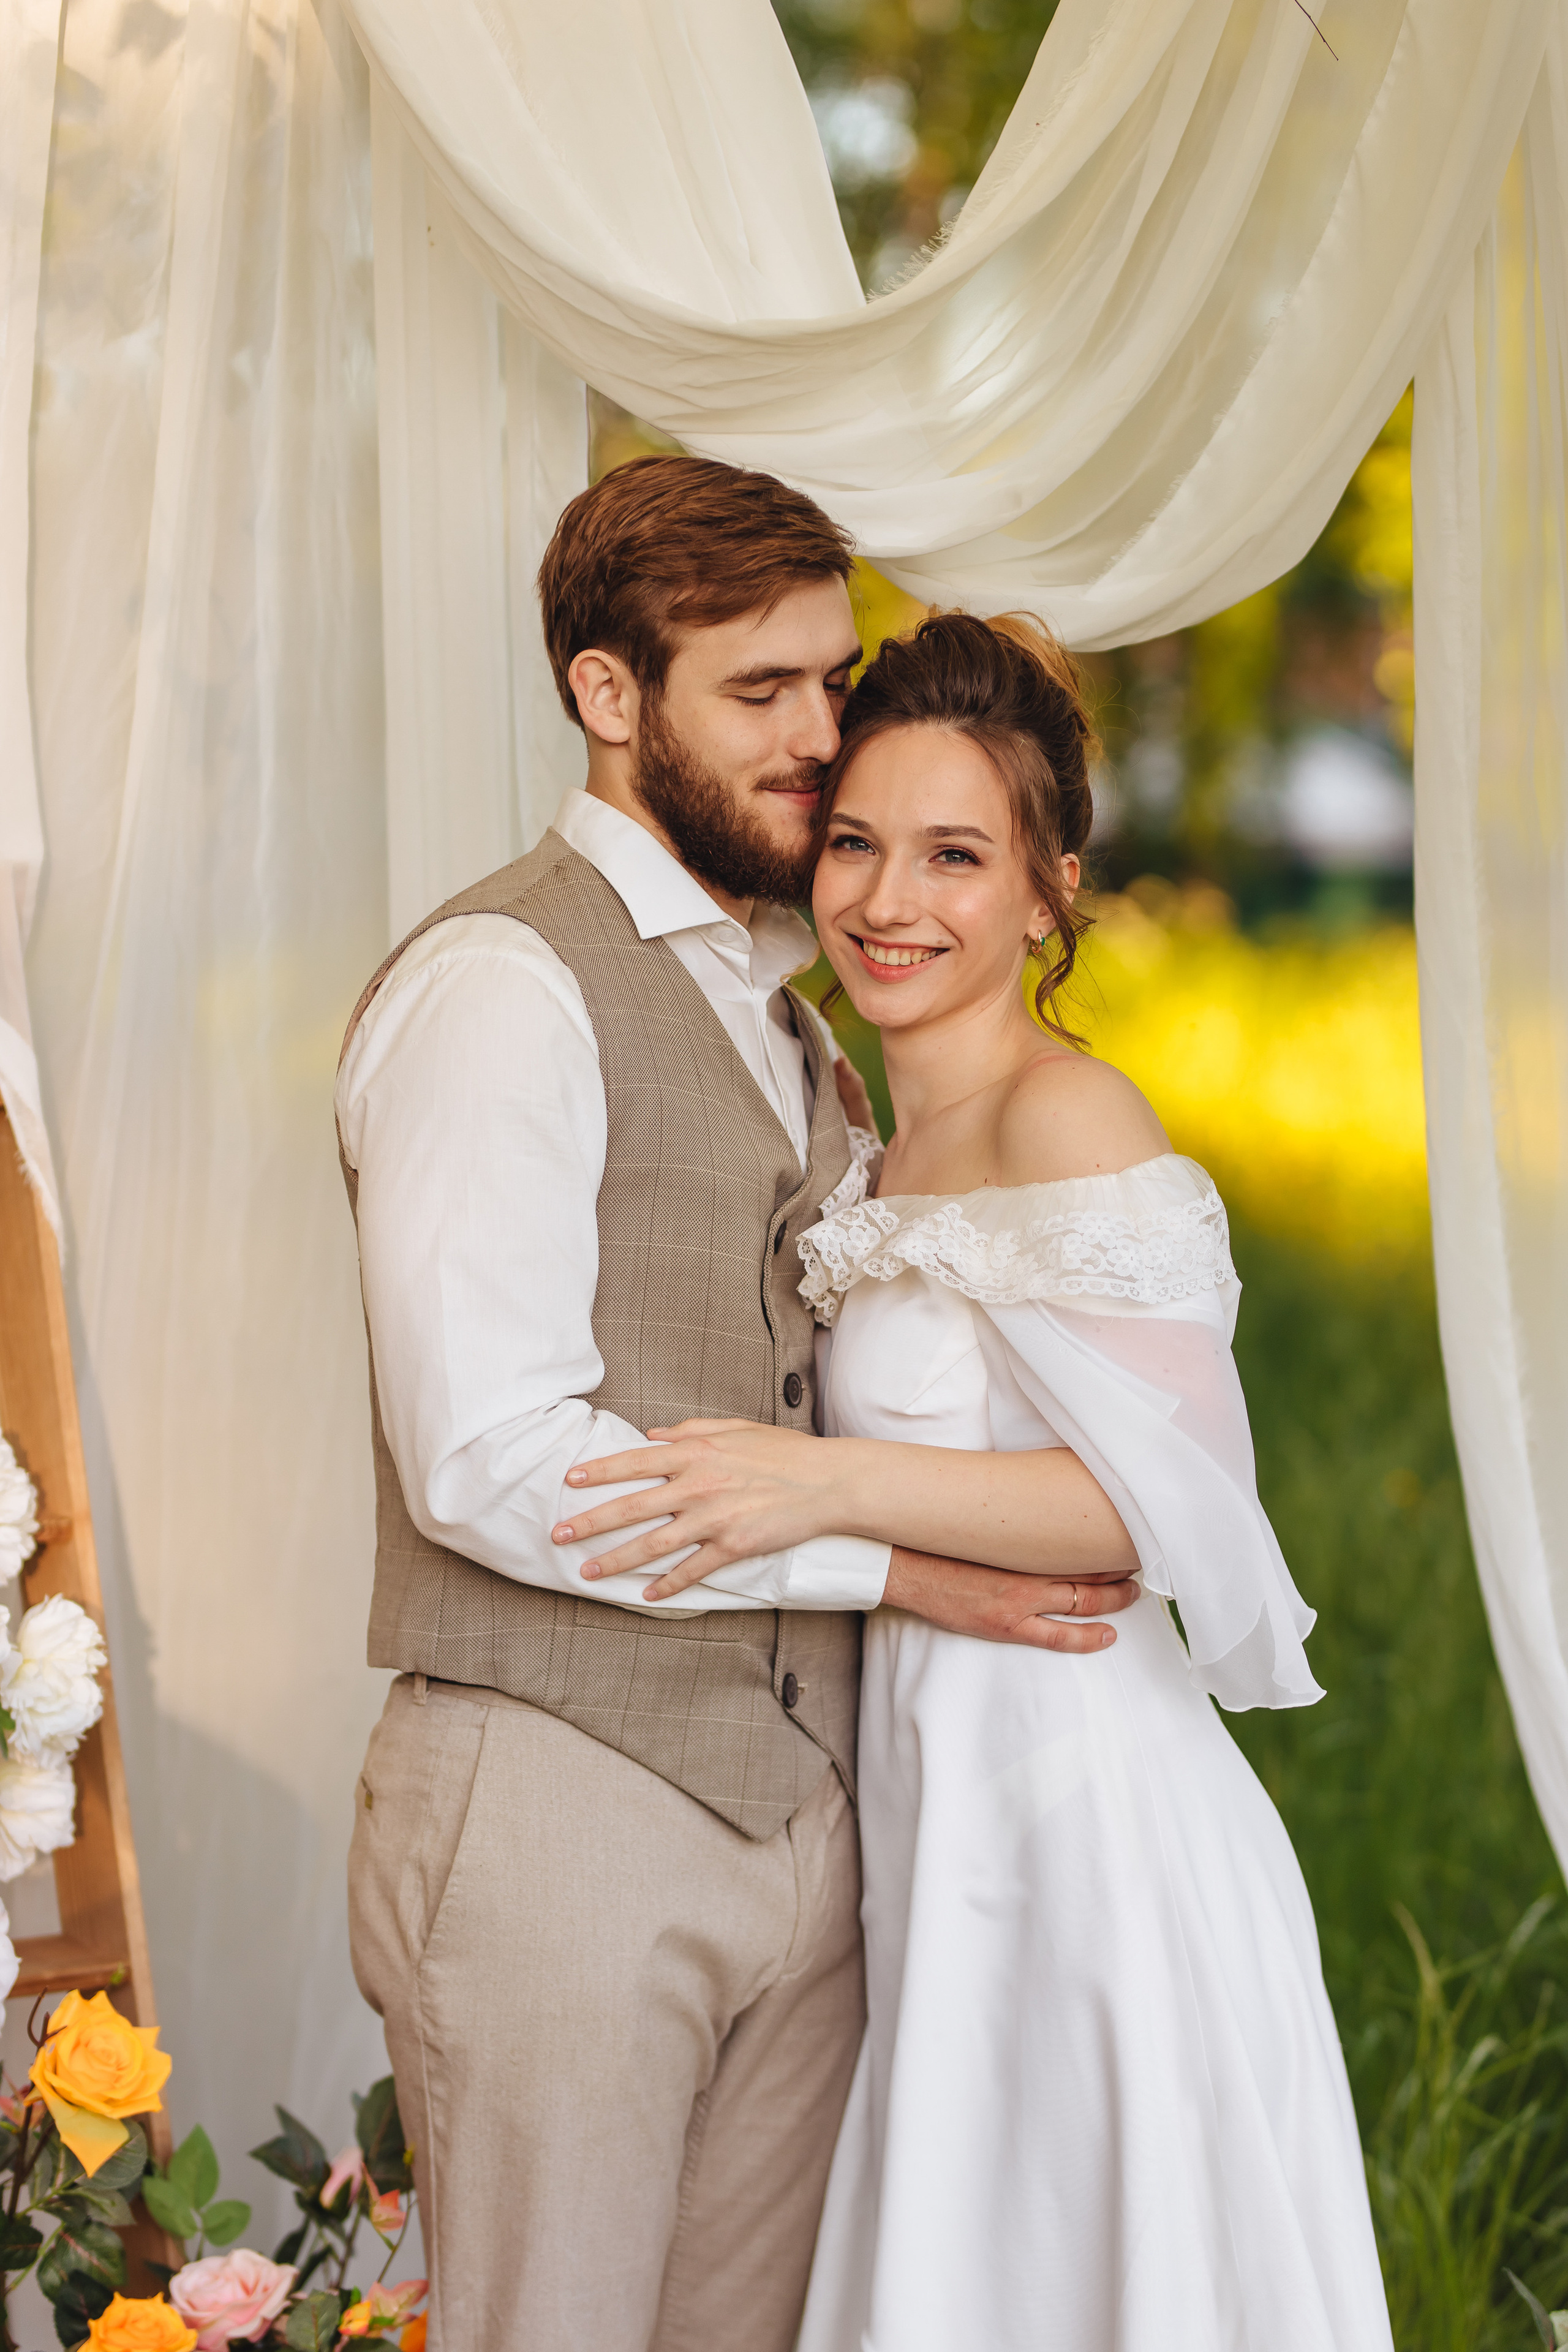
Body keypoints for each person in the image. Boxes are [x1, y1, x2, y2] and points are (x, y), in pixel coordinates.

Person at [334, 461, 1140, 2352]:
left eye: (828, 679)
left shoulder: (788, 1009)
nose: (818, 737)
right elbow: (490, 1457)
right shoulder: (502, 987)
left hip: (812, 1826)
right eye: (756, 691)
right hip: (565, 1805)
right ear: (611, 696)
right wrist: (894, 1570)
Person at [564, 612, 1396, 2350]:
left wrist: (817, 1488)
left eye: (957, 855)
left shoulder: (1068, 1120)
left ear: (1048, 892)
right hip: (940, 1823)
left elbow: (1151, 1510)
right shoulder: (876, 1139)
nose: (889, 901)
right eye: (858, 842)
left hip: (1085, 1827)